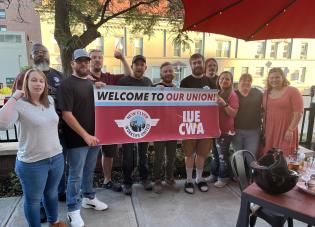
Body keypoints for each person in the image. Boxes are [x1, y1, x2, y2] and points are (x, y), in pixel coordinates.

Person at [0, 69, 66, 227]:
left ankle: (54, 222)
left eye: (41, 81)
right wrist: (15, 96)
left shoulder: (50, 100)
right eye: (34, 80)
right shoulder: (19, 104)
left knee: (51, 194)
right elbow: (2, 124)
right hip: (32, 163)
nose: (38, 84)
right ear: (26, 83)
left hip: (56, 157)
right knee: (33, 201)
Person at [57, 49, 108, 227]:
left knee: (89, 170)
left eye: (86, 61)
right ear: (73, 63)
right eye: (80, 61)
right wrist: (85, 135)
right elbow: (66, 114)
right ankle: (73, 209)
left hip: (94, 138)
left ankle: (89, 197)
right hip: (77, 140)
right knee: (75, 175)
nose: (84, 64)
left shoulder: (90, 84)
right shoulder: (66, 85)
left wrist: (98, 87)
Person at [89, 49, 131, 190]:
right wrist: (92, 85)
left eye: (100, 57)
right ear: (89, 60)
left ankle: (107, 180)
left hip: (107, 123)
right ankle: (86, 186)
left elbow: (129, 76)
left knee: (108, 153)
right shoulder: (84, 77)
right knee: (88, 155)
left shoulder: (109, 77)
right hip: (89, 123)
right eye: (94, 57)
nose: (97, 60)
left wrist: (122, 58)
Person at [180, 53, 216, 194]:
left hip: (205, 125)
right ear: (191, 65)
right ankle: (189, 180)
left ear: (203, 63)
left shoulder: (211, 82)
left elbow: (214, 104)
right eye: (194, 63)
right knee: (189, 154)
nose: (197, 65)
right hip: (189, 122)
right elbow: (179, 103)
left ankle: (199, 179)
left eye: (199, 62)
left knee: (202, 154)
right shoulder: (185, 82)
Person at [117, 54, 153, 195]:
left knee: (143, 156)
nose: (139, 67)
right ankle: (127, 182)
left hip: (144, 124)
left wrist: (161, 89)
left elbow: (155, 101)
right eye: (136, 64)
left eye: (142, 64)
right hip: (127, 124)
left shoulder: (148, 82)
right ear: (132, 66)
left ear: (145, 67)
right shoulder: (123, 81)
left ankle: (145, 179)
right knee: (127, 157)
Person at [262, 67, 303, 157]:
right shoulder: (266, 93)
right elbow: (265, 112)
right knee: (270, 157)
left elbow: (298, 113)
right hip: (270, 130)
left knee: (284, 156)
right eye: (271, 78)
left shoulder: (293, 91)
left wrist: (290, 130)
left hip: (286, 129)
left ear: (283, 78)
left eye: (277, 77)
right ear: (268, 80)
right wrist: (264, 130)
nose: (274, 80)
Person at [152, 62, 179, 194]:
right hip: (159, 129)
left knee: (171, 156)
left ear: (174, 73)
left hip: (173, 128)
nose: (168, 73)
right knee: (158, 156)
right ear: (161, 74)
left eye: (170, 71)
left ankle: (170, 178)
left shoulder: (177, 89)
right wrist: (156, 91)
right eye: (165, 71)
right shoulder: (154, 87)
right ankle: (157, 180)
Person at [210, 71, 239, 188]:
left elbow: (233, 114)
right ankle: (214, 175)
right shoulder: (217, 93)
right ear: (218, 80)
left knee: (222, 156)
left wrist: (224, 104)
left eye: (227, 79)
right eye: (222, 79)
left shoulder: (233, 95)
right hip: (215, 130)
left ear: (231, 81)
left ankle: (223, 177)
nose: (224, 81)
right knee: (214, 155)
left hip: (226, 131)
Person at [232, 73, 262, 157]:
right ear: (239, 82)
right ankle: (240, 171)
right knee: (238, 157)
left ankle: (250, 170)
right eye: (244, 80)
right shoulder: (234, 94)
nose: (246, 82)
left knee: (251, 156)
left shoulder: (257, 93)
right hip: (236, 130)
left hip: (253, 131)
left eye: (249, 81)